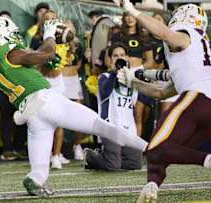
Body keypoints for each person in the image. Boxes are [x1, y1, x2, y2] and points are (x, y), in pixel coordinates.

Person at [0, 16, 147, 196]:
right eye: (12, 33)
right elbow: (47, 54)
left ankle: (34, 180)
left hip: (32, 113)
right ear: (3, 35)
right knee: (102, 127)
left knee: (39, 169)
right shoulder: (10, 53)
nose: (16, 37)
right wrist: (50, 34)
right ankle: (151, 148)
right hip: (48, 101)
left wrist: (47, 52)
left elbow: (24, 69)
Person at [113, 2, 211, 202]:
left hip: (198, 98)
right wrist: (133, 83)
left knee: (154, 147)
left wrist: (133, 11)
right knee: (163, 151)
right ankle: (152, 186)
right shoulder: (197, 50)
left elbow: (165, 34)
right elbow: (162, 92)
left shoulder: (184, 32)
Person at [84, 42, 142, 171]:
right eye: (115, 56)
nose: (119, 58)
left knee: (135, 164)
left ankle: (109, 155)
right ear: (110, 60)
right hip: (109, 126)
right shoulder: (104, 77)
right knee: (112, 166)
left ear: (127, 57)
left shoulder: (133, 80)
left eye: (122, 55)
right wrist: (115, 72)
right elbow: (106, 90)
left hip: (128, 127)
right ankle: (91, 156)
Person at [105, 12, 156, 139]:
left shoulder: (144, 37)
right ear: (123, 18)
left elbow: (150, 62)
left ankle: (135, 145)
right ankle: (123, 142)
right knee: (126, 112)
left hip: (139, 78)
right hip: (121, 78)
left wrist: (136, 70)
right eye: (126, 16)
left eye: (132, 15)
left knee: (138, 113)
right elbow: (107, 60)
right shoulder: (116, 36)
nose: (130, 18)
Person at [30, 10, 70, 169]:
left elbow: (69, 59)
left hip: (58, 82)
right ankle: (42, 156)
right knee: (41, 121)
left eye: (54, 18)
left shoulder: (65, 38)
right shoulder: (37, 39)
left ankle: (56, 155)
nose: (51, 21)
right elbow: (32, 61)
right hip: (43, 82)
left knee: (59, 121)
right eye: (47, 19)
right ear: (42, 22)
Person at [0, 11, 28, 161]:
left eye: (8, 20)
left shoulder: (19, 38)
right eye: (2, 21)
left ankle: (19, 147)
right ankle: (7, 149)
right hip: (3, 84)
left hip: (19, 84)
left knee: (21, 116)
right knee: (6, 116)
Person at [61, 20, 85, 160]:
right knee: (58, 116)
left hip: (74, 80)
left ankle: (77, 145)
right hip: (61, 81)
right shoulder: (57, 44)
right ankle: (57, 151)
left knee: (79, 113)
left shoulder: (78, 45)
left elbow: (78, 64)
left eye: (69, 25)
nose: (67, 28)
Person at [149, 12, 179, 114]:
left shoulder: (177, 40)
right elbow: (156, 66)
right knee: (165, 116)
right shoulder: (146, 40)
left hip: (179, 80)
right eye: (154, 20)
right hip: (161, 80)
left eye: (159, 19)